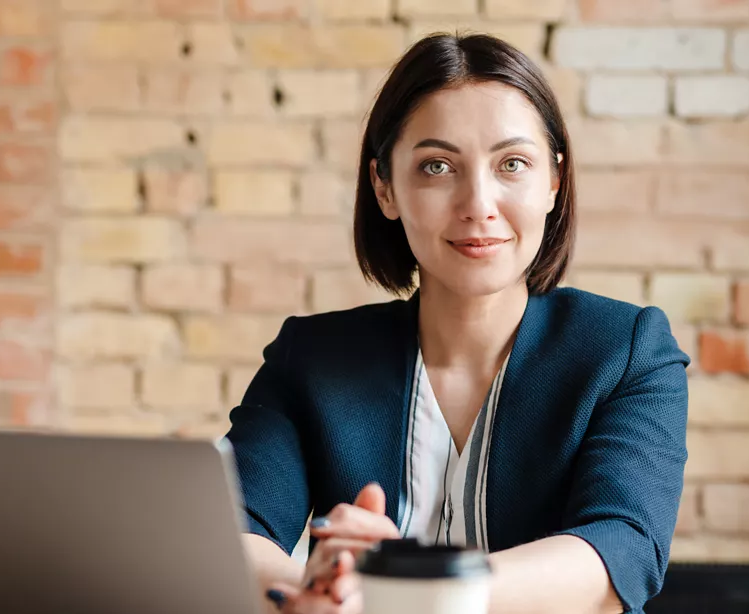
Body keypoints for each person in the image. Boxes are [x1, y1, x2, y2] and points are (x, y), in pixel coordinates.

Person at [224, 32, 690, 614]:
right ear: (384, 187)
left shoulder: (626, 350)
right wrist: (313, 591)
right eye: (437, 166)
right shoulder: (311, 359)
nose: (478, 203)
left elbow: (620, 551)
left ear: (554, 183)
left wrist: (410, 585)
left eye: (512, 164)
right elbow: (231, 533)